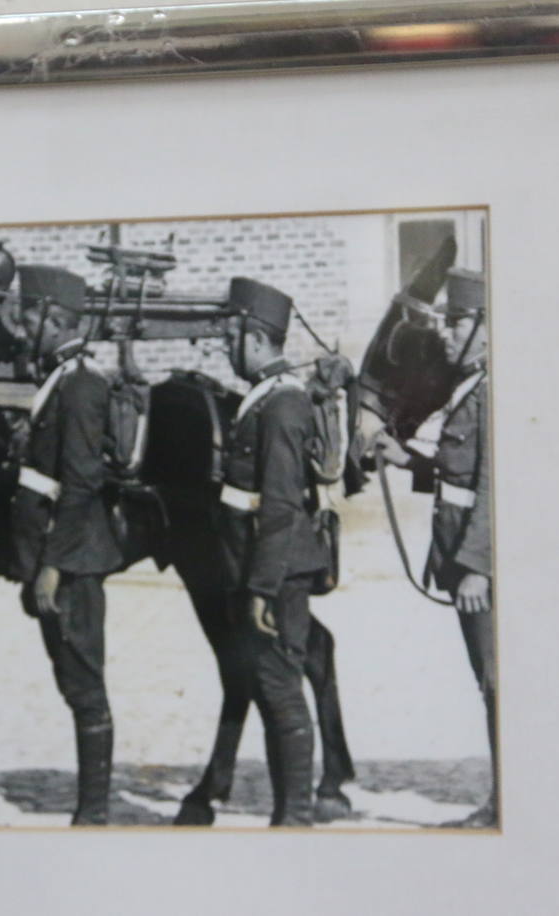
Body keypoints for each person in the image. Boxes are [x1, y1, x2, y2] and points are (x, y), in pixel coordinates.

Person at [374, 266, 497, 828]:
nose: (445, 332)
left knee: (498, 680)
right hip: (459, 550)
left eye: (457, 321)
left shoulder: (493, 392)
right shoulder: (466, 387)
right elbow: (459, 472)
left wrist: (477, 566)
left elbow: (497, 486)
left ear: (488, 328)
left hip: (479, 563)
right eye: (446, 322)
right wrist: (408, 461)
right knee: (487, 679)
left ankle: (506, 802)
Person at [10, 265, 123, 826]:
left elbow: (81, 483)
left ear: (54, 320)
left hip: (72, 561)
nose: (22, 324)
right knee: (72, 679)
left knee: (83, 682)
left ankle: (94, 813)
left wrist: (50, 566)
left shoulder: (82, 384)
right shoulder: (62, 378)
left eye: (29, 314)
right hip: (57, 558)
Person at [219, 276, 332, 827]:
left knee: (281, 690)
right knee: (270, 689)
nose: (224, 347)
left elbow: (282, 505)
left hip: (278, 572)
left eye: (229, 336)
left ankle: (297, 818)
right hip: (262, 566)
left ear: (253, 337)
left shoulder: (283, 403)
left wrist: (261, 587)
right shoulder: (267, 396)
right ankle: (288, 814)